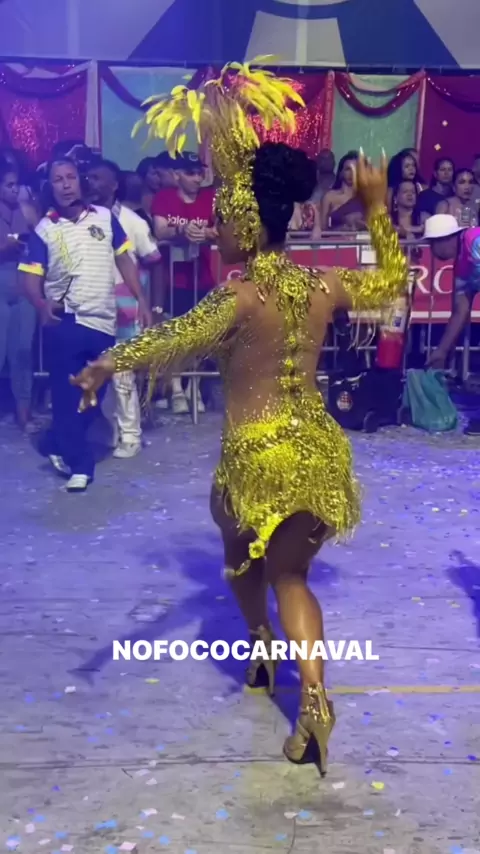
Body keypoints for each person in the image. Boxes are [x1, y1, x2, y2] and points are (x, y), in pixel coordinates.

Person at [72, 63, 408, 770]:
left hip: (255, 458)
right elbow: (391, 284)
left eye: (223, 219)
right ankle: (313, 697)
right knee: (293, 577)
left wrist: (106, 363)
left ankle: (260, 651)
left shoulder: (239, 297)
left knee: (236, 555)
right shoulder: (321, 284)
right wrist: (377, 208)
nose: (214, 227)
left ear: (248, 223)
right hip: (317, 454)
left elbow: (171, 337)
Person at [18, 156, 151, 492]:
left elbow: (124, 259)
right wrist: (41, 304)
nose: (66, 185)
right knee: (67, 396)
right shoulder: (45, 230)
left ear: (79, 182)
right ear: (51, 187)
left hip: (103, 322)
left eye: (70, 177)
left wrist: (142, 300)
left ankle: (55, 441)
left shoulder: (105, 218)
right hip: (65, 322)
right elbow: (29, 278)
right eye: (58, 180)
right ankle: (81, 466)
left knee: (93, 395)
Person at [86, 159, 162, 458]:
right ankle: (111, 431)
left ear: (114, 185)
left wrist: (154, 305)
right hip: (94, 304)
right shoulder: (84, 219)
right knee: (99, 370)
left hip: (127, 306)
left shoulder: (133, 222)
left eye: (97, 178)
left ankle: (131, 434)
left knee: (122, 373)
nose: (90, 183)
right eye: (88, 177)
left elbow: (155, 263)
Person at [151, 151, 216, 413]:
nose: (197, 178)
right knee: (177, 336)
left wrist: (207, 233)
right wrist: (180, 230)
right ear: (176, 175)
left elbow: (225, 228)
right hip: (173, 279)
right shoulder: (164, 198)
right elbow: (159, 230)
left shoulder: (211, 198)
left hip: (203, 277)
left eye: (200, 173)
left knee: (201, 337)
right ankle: (176, 388)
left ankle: (194, 387)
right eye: (191, 173)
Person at [425, 213, 480, 435]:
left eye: (432, 243)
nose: (431, 250)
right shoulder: (461, 267)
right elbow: (460, 311)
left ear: (445, 239)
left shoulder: (475, 241)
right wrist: (441, 351)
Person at [0, 158, 37, 431]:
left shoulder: (26, 210)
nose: (14, 189)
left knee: (23, 351)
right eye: (9, 185)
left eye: (16, 184)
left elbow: (43, 240)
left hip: (24, 286)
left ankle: (24, 413)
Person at [320, 151, 364, 231]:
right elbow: (322, 229)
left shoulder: (365, 197)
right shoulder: (329, 197)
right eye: (348, 169)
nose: (352, 173)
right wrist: (341, 229)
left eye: (356, 169)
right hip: (335, 238)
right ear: (341, 172)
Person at [416, 158, 454, 223]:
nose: (446, 173)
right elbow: (423, 220)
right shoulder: (425, 196)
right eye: (442, 170)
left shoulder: (455, 195)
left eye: (450, 170)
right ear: (435, 173)